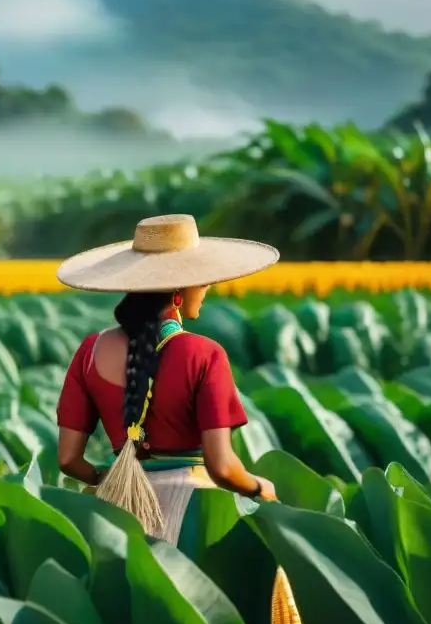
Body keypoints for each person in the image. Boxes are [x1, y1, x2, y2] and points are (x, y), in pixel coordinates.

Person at [54, 213, 279, 544]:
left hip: (115, 516)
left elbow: (68, 460)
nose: (206, 288)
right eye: (201, 280)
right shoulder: (204, 354)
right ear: (177, 294)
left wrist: (115, 478)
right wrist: (261, 487)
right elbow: (222, 467)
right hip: (194, 513)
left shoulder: (89, 351)